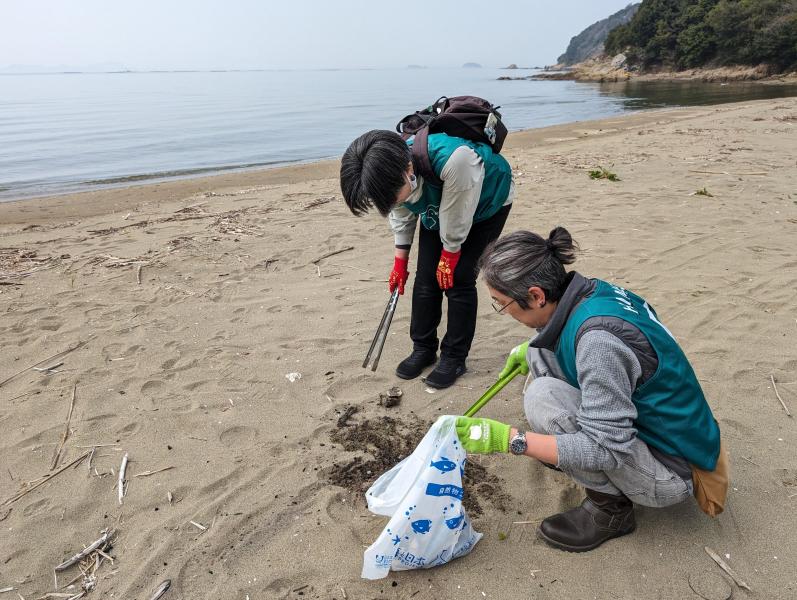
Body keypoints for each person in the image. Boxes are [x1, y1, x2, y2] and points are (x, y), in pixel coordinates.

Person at [454, 227, 725, 552]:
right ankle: (570, 454)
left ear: (537, 295)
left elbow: (607, 449)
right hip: (684, 433)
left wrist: (512, 441)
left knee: (542, 399)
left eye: (502, 303)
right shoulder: (591, 292)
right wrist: (529, 350)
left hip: (674, 470)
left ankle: (610, 510)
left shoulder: (598, 343)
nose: (504, 311)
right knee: (541, 346)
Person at [340, 129, 514, 388]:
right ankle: (423, 348)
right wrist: (400, 262)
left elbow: (457, 216)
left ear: (409, 168)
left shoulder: (457, 160)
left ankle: (454, 357)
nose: (386, 202)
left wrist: (450, 253)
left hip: (487, 202)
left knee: (459, 278)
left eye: (389, 195)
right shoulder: (389, 171)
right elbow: (400, 212)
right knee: (425, 279)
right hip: (439, 201)